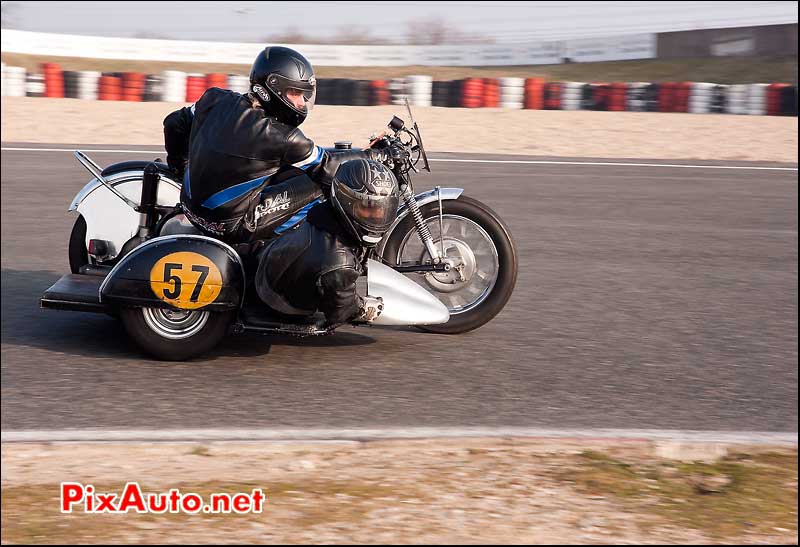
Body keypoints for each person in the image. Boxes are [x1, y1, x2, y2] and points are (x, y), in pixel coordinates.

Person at [162, 45, 405, 243]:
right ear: (273, 89)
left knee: (298, 171)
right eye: (295, 93)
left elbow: (173, 123)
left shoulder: (213, 98)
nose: (301, 102)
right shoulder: (283, 137)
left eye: (304, 95)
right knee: (325, 184)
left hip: (191, 208)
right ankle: (293, 246)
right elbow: (329, 167)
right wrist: (377, 156)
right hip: (232, 227)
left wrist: (179, 166)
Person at [254, 158, 400, 326]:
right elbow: (341, 312)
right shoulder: (340, 263)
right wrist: (364, 307)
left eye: (382, 208)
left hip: (270, 258)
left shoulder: (322, 214)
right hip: (277, 300)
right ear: (347, 201)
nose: (377, 216)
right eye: (367, 207)